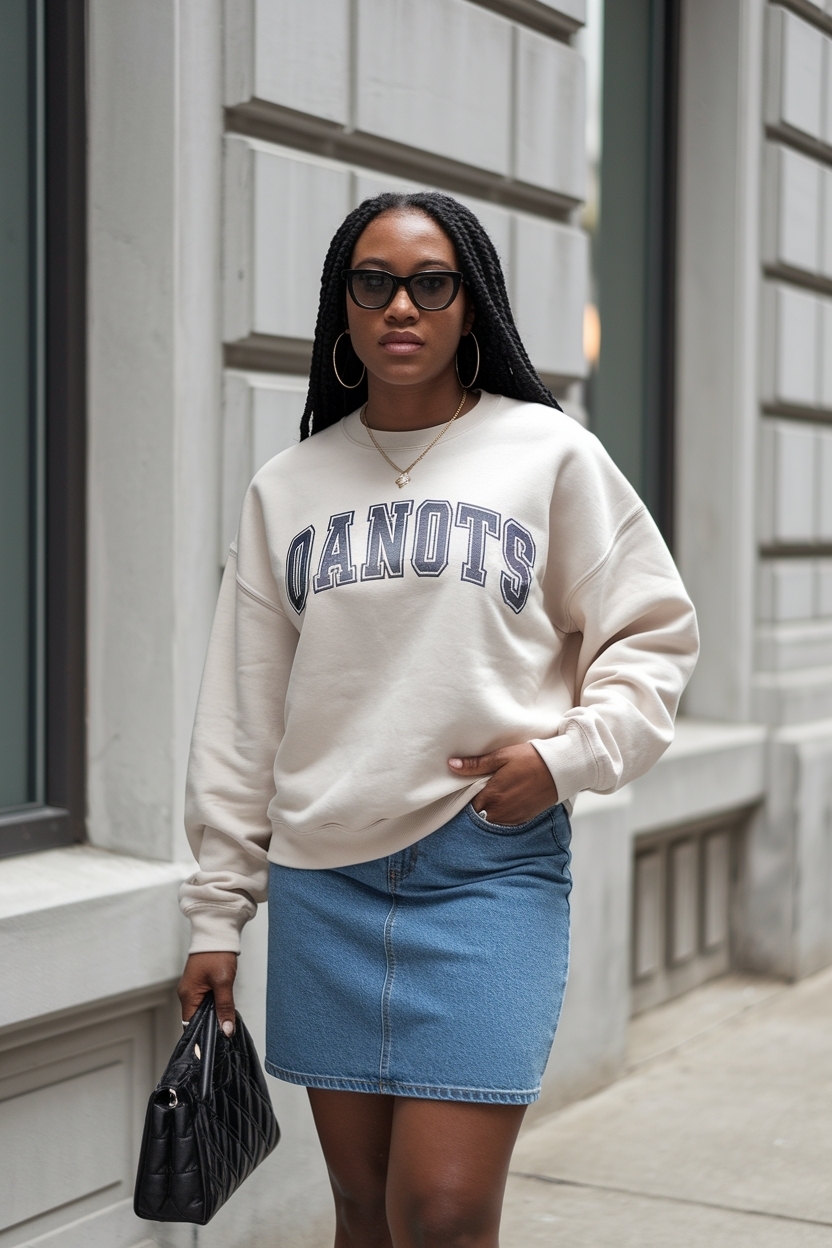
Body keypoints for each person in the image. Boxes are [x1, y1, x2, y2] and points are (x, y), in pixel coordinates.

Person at [177, 191, 698, 1247]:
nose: (401, 306)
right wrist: (217, 912)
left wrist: (567, 758)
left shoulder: (548, 454)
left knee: (446, 1212)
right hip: (326, 875)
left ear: (472, 304)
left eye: (430, 283)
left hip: (485, 868)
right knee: (363, 1208)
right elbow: (242, 711)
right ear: (344, 306)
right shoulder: (288, 486)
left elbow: (654, 634)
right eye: (373, 283)